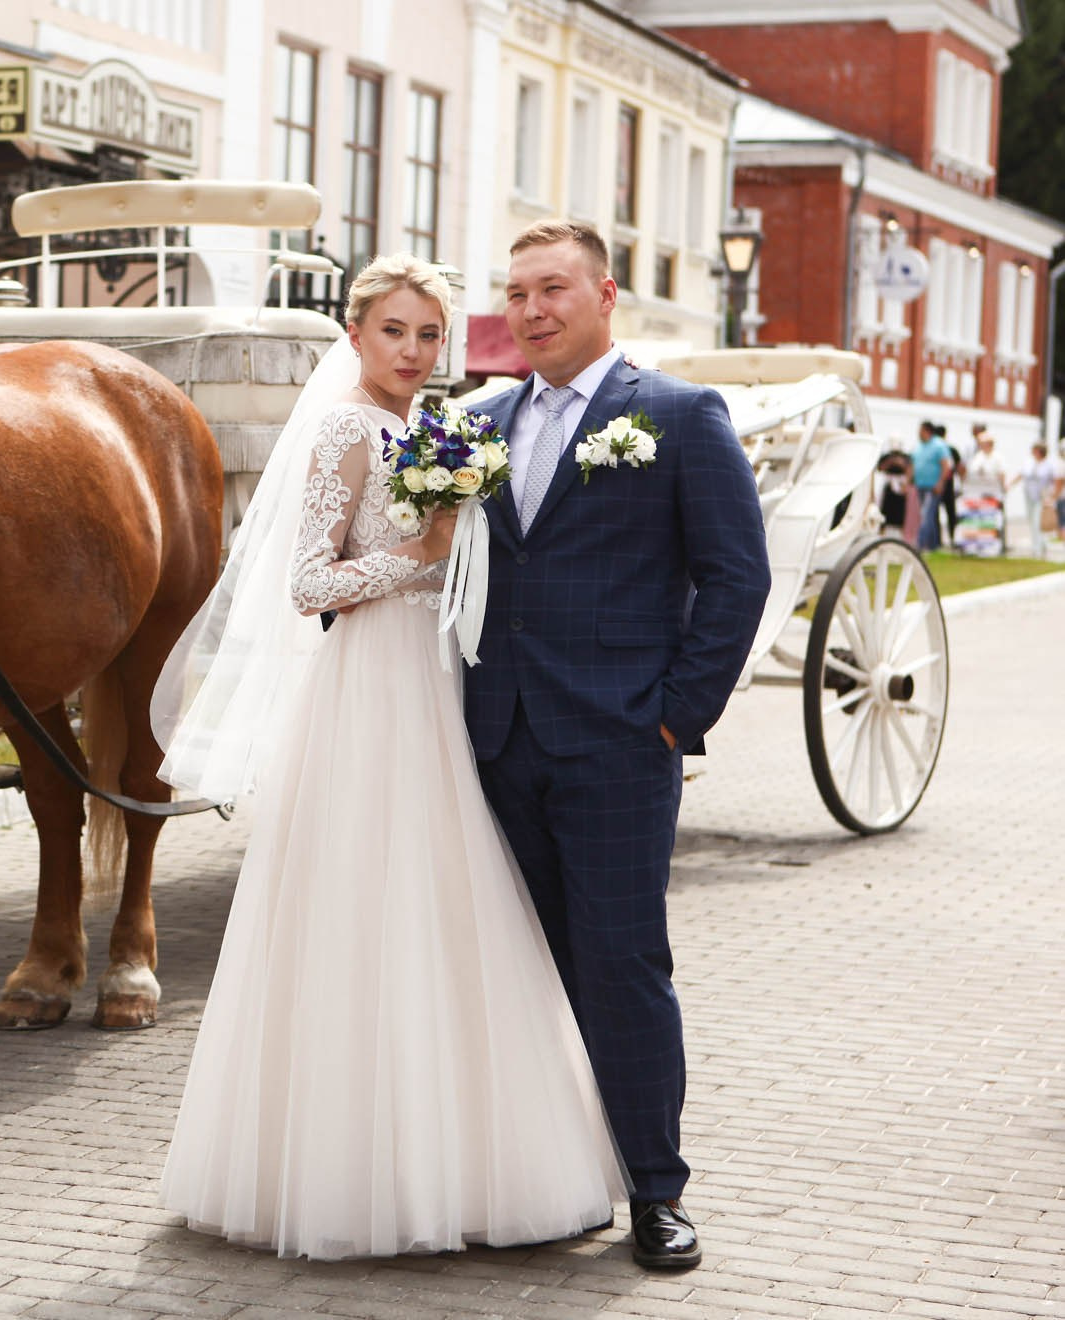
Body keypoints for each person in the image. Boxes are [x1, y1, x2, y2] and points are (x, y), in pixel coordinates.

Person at [153, 255, 629, 1262]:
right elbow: (307, 585)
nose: (412, 353)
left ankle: (459, 1154)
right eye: (394, 333)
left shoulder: (434, 432)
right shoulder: (342, 429)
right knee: (366, 899)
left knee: (447, 896)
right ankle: (342, 1167)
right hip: (367, 685)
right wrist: (420, 556)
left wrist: (450, 552)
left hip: (438, 682)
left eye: (428, 336)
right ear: (357, 332)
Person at [465, 220, 772, 1271]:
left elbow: (739, 577)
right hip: (491, 740)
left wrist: (677, 716)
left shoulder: (679, 417)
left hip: (618, 749)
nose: (532, 310)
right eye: (515, 293)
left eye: (553, 288)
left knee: (622, 968)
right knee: (514, 970)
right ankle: (538, 1177)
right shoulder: (476, 418)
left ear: (604, 295)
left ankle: (655, 1192)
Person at [958, 429, 1007, 557]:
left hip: (992, 494)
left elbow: (1001, 474)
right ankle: (974, 546)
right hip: (976, 494)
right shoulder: (978, 456)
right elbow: (970, 472)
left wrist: (1002, 489)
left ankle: (993, 547)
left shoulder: (997, 457)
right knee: (977, 520)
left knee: (992, 521)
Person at [1009, 441, 1060, 558]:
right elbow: (1021, 475)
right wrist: (1010, 484)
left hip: (1042, 497)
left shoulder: (1049, 465)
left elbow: (1056, 482)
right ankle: (1041, 543)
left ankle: (1037, 549)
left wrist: (1052, 497)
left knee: (1038, 522)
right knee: (1031, 520)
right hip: (1028, 495)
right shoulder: (1029, 462)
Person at [911, 422, 954, 552]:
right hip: (921, 485)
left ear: (927, 431)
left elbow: (946, 465)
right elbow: (913, 464)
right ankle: (934, 544)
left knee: (926, 514)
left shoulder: (939, 445)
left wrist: (940, 483)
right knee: (928, 516)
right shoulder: (919, 446)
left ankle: (921, 544)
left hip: (933, 486)